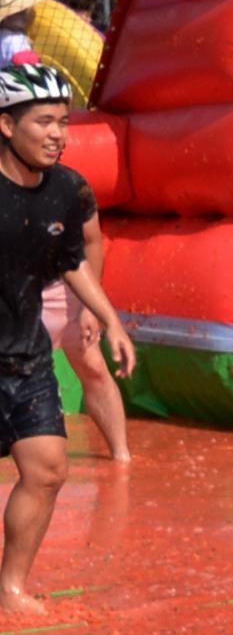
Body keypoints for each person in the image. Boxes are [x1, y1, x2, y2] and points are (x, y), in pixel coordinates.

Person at [0, 65, 134, 608]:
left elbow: (73, 261)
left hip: (25, 355)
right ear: (7, 126)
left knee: (49, 467)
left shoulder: (68, 189)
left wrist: (110, 319)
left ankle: (10, 587)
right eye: (44, 121)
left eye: (64, 121)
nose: (58, 133)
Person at [37, 180, 129, 464]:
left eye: (60, 131)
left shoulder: (71, 186)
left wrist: (90, 308)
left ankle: (121, 457)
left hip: (62, 289)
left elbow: (91, 241)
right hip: (13, 294)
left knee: (94, 368)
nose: (53, 136)